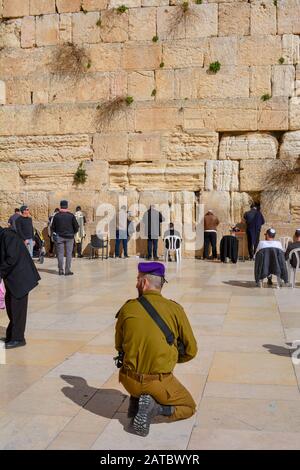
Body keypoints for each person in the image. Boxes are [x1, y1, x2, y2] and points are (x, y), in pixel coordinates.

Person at [115, 262, 197, 437]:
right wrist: (168, 358)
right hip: (157, 383)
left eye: (138, 280)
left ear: (144, 283)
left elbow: (119, 346)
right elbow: (191, 350)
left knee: (140, 375)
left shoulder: (127, 308)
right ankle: (155, 408)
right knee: (189, 407)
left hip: (128, 381)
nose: (136, 283)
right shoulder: (175, 309)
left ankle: (136, 400)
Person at [0, 225, 40, 348]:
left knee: (18, 310)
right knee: (12, 307)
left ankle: (18, 338)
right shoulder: (4, 236)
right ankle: (12, 335)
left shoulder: (8, 236)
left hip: (21, 277)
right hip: (13, 278)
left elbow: (12, 258)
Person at [51, 200, 79, 276]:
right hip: (70, 237)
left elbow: (52, 227)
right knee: (69, 254)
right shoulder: (71, 215)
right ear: (67, 206)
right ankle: (67, 270)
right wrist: (73, 232)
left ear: (60, 206)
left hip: (59, 237)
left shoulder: (56, 216)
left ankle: (60, 270)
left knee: (60, 254)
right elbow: (76, 226)